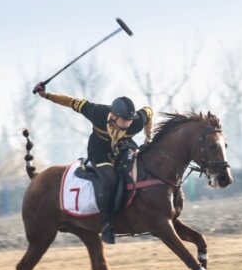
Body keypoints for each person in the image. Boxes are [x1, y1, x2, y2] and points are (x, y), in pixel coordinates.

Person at [33, 82, 154, 244]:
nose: (130, 123)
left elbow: (149, 112)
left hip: (122, 148)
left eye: (130, 120)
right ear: (114, 117)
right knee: (110, 179)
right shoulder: (97, 112)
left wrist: (149, 137)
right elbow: (71, 101)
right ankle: (106, 224)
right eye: (125, 120)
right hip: (100, 152)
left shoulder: (136, 121)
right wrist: (46, 95)